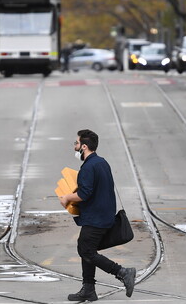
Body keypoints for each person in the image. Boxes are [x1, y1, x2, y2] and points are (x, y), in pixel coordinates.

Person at [59, 129, 136, 302]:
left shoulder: (88, 166)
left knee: (86, 250)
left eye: (76, 143)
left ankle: (123, 272)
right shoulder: (102, 162)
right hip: (104, 215)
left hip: (95, 218)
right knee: (86, 249)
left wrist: (67, 197)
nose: (74, 147)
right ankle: (88, 289)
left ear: (84, 147)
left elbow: (84, 193)